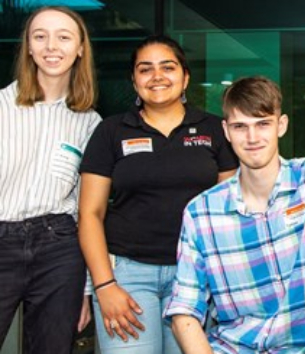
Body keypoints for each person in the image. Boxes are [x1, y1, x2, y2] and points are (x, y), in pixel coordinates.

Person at [165, 76, 305, 353]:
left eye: (262, 124)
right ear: (226, 131)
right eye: (240, 126)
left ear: (281, 125)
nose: (252, 138)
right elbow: (184, 311)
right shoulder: (201, 213)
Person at [78, 35, 238, 353]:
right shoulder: (111, 132)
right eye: (145, 69)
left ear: (185, 77)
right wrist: (104, 284)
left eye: (168, 67)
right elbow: (89, 214)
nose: (157, 76)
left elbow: (229, 212)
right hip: (127, 275)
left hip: (197, 276)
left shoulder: (216, 130)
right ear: (134, 80)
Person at [0, 6, 99, 353]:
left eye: (63, 36)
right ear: (28, 47)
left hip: (59, 248)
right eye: (40, 36)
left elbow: (86, 209)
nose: (51, 46)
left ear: (80, 47)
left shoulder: (89, 123)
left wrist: (84, 289)